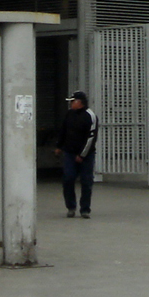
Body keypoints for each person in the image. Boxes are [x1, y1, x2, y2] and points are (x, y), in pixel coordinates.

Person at [54, 90, 99, 219]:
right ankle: (71, 207)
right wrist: (59, 146)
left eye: (72, 102)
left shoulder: (90, 116)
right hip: (69, 153)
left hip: (86, 155)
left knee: (86, 181)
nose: (71, 104)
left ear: (79, 103)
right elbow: (64, 131)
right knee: (68, 179)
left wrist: (82, 155)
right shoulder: (69, 115)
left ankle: (85, 209)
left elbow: (91, 138)